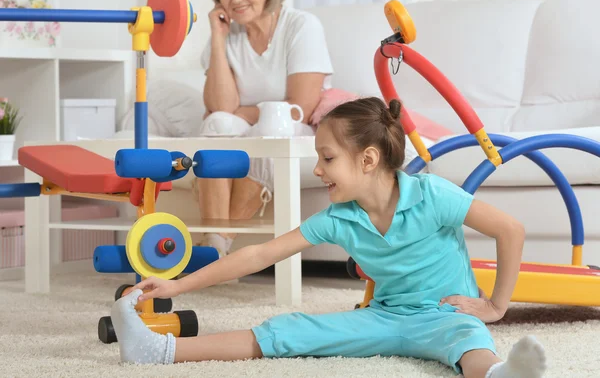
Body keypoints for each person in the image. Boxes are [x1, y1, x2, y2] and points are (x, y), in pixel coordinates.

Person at [111, 97, 547, 378]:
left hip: (444, 313)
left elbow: (511, 229)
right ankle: (159, 351)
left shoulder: (433, 195)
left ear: (368, 160)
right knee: (288, 332)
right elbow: (259, 254)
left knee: (469, 343)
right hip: (383, 318)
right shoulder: (338, 219)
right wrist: (177, 284)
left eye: (327, 158)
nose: (318, 170)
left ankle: (500, 376)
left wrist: (495, 306)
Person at [194, 0, 333, 257]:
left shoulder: (301, 25)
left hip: (295, 130)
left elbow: (301, 107)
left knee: (267, 132)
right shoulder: (228, 35)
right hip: (250, 131)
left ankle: (216, 249)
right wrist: (218, 39)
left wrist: (242, 112)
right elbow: (220, 108)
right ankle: (215, 248)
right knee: (217, 123)